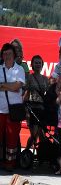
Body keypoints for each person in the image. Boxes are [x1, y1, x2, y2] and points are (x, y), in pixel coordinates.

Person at [0, 43, 25, 171]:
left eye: (9, 53)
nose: (7, 56)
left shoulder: (19, 69)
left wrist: (3, 85)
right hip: (0, 110)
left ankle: (10, 164)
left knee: (12, 139)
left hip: (14, 110)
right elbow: (14, 87)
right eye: (4, 54)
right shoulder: (0, 68)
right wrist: (12, 86)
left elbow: (17, 86)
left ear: (14, 55)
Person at [23, 55, 49, 149]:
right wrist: (26, 109)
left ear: (42, 65)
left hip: (42, 109)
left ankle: (41, 157)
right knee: (34, 134)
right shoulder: (29, 78)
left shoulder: (46, 79)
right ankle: (26, 153)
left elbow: (48, 95)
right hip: (32, 108)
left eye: (39, 63)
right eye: (36, 63)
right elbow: (25, 93)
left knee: (42, 134)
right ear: (32, 65)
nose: (38, 64)